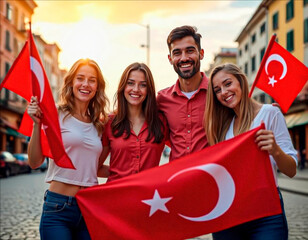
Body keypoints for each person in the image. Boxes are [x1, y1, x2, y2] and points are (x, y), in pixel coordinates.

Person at [204, 63, 297, 240]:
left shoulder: (270, 113)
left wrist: (275, 150)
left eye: (228, 83)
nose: (223, 92)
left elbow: (291, 170)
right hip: (229, 213)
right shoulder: (223, 126)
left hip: (266, 214)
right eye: (217, 90)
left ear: (241, 82)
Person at [27, 58, 109, 240]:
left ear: (97, 87)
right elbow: (34, 162)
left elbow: (94, 168)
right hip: (58, 208)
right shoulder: (55, 114)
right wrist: (36, 125)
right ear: (71, 82)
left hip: (89, 208)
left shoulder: (99, 124)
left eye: (92, 80)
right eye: (80, 78)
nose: (85, 84)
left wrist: (128, 172)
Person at [99, 62, 167, 182]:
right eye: (130, 83)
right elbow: (96, 167)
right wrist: (120, 173)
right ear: (123, 87)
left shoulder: (161, 122)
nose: (136, 89)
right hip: (117, 196)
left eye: (143, 85)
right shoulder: (109, 123)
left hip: (149, 197)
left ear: (149, 90)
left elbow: (182, 150)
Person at [157, 25, 209, 161]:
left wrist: (269, 110)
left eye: (190, 51)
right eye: (177, 53)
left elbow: (246, 112)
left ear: (201, 53)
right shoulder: (162, 99)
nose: (184, 58)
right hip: (177, 179)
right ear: (170, 58)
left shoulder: (217, 93)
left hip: (211, 178)